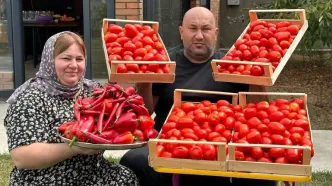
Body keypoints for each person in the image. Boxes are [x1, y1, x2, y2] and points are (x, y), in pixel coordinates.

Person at [119, 7, 277, 186]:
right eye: (193, 29)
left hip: (224, 145)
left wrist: (257, 77)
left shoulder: (233, 64)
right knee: (133, 160)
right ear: (181, 32)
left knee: (262, 170)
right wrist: (145, 80)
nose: (199, 36)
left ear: (215, 33)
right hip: (170, 143)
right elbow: (145, 113)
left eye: (206, 29)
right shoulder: (164, 65)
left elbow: (261, 112)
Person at [4, 31, 139, 186]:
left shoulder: (93, 90)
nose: (74, 65)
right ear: (49, 60)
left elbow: (122, 119)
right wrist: (74, 148)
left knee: (126, 177)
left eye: (79, 59)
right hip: (45, 179)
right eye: (66, 58)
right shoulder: (30, 97)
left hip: (91, 174)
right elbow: (21, 157)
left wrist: (135, 80)